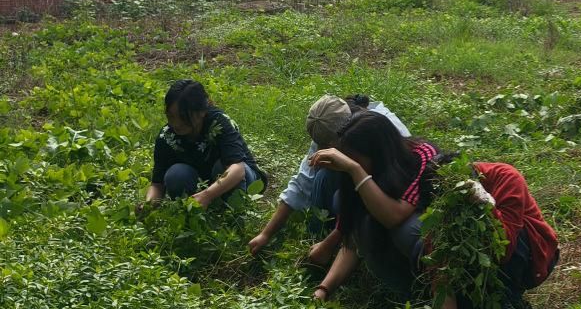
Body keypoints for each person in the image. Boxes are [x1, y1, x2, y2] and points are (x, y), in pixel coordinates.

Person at [310, 112, 557, 309]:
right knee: (440, 247)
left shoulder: (506, 177)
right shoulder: (429, 192)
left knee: (497, 298)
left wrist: (483, 202)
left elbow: (504, 248)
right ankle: (449, 303)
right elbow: (437, 251)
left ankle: (504, 305)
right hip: (480, 253)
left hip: (526, 254)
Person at [247, 94, 409, 258]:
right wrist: (266, 234)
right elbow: (302, 182)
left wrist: (331, 242)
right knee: (323, 176)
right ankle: (316, 236)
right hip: (353, 192)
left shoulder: (387, 131)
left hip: (382, 198)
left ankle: (345, 245)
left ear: (345, 133)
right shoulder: (328, 127)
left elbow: (391, 192)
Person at [145, 79, 264, 208]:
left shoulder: (219, 123)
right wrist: (147, 205)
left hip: (242, 178)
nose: (176, 123)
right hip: (202, 183)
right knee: (175, 174)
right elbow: (157, 184)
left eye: (183, 117)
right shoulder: (167, 136)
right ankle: (193, 207)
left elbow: (238, 169)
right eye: (171, 116)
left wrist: (207, 195)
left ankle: (232, 208)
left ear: (202, 111)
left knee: (222, 168)